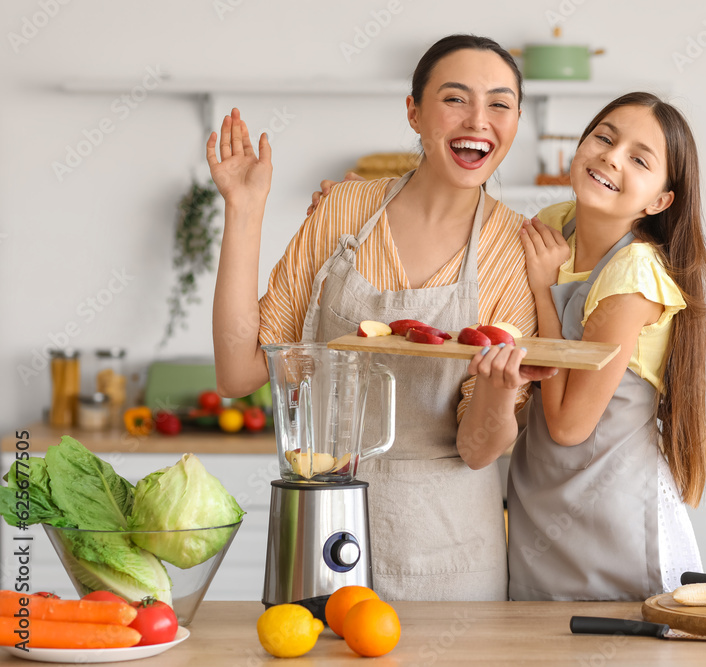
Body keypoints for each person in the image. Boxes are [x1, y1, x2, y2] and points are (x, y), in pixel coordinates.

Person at [206, 34, 555, 601]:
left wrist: (498, 391)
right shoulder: (344, 210)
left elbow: (477, 450)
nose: (478, 119)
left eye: (499, 103)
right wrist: (244, 211)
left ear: (516, 120)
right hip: (319, 528)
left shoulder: (515, 249)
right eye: (454, 98)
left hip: (449, 551)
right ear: (414, 112)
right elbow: (237, 372)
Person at [459, 92, 706, 601]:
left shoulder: (635, 274)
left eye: (639, 159)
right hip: (540, 509)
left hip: (613, 525)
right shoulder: (561, 222)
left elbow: (568, 426)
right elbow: (469, 229)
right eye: (604, 136)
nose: (610, 156)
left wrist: (543, 290)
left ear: (659, 200)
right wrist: (369, 202)